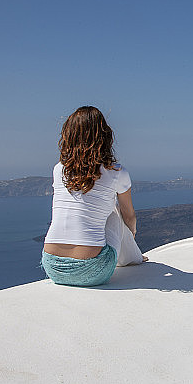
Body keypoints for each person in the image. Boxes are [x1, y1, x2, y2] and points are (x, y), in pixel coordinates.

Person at [42, 106, 147, 287]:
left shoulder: (59, 169)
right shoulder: (117, 172)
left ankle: (132, 257)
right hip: (92, 270)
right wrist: (131, 236)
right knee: (115, 211)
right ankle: (133, 259)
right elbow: (129, 216)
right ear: (104, 136)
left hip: (53, 268)